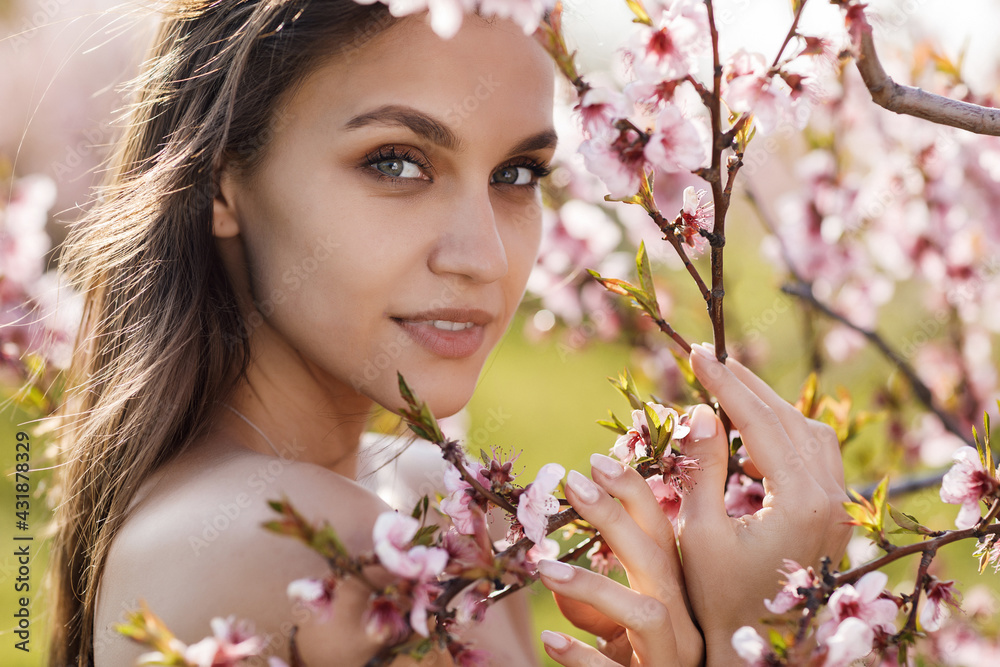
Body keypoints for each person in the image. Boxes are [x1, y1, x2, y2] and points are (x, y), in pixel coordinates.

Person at [44, 2, 851, 666]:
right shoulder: (300, 547)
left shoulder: (439, 503)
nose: (484, 257)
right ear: (221, 179)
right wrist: (763, 638)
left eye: (517, 175)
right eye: (396, 162)